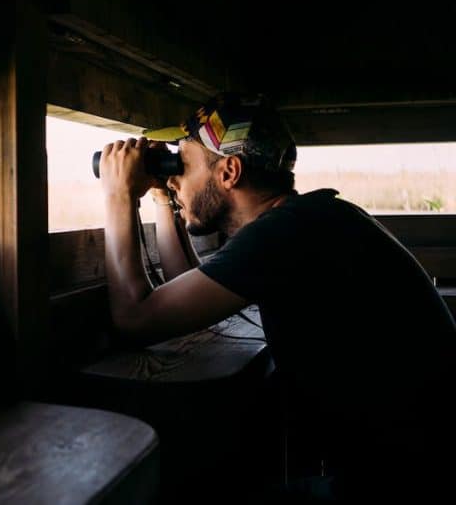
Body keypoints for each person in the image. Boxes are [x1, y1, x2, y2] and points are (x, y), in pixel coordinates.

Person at [96, 92, 455, 503]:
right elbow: (190, 292)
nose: (173, 175)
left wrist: (117, 196)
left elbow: (134, 317)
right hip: (407, 465)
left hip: (406, 482)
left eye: (183, 163)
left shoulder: (286, 234)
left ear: (230, 171)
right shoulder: (304, 221)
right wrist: (164, 196)